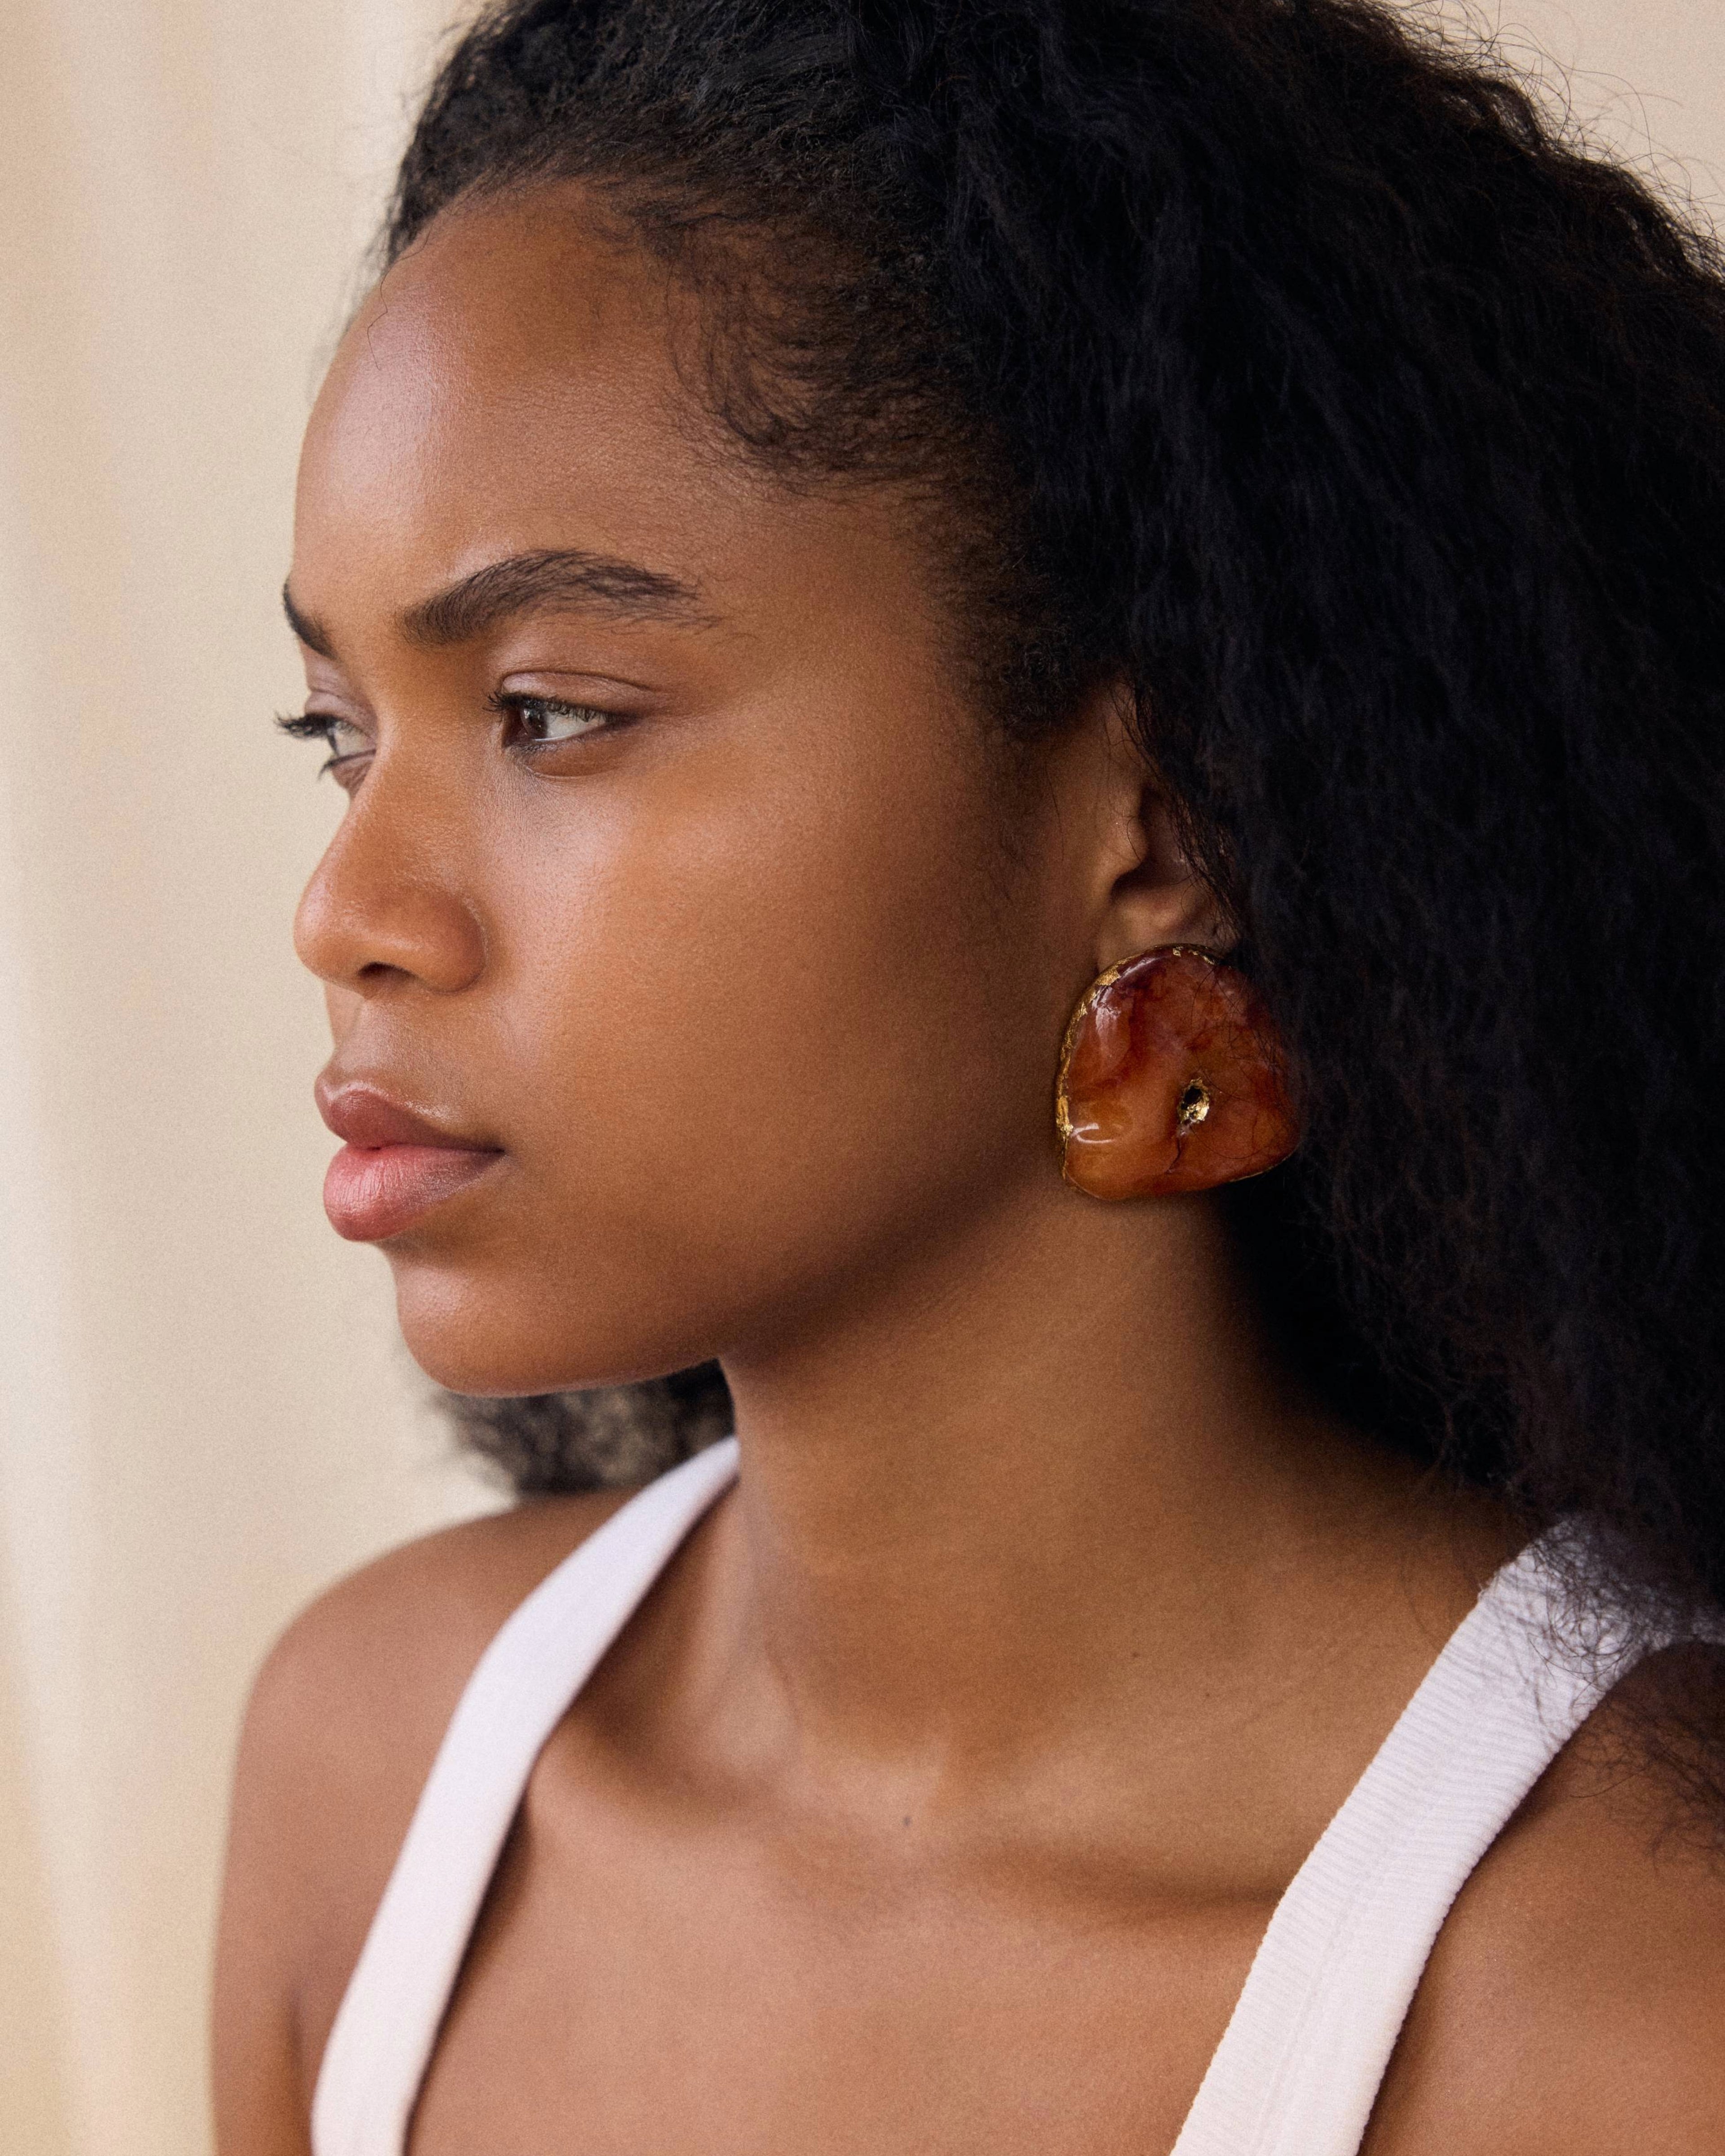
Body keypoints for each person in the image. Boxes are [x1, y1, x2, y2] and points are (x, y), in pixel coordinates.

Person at [211, 2, 1725, 2150]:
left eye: (551, 711)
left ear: (1163, 817)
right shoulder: (373, 1781)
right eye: (338, 734)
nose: (349, 908)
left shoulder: (1636, 2003)